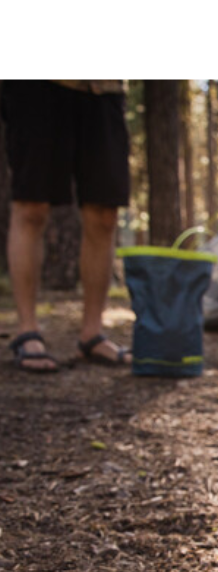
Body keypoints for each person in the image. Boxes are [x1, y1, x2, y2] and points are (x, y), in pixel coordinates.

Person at [2, 79, 132, 372]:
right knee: (31, 205)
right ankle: (27, 330)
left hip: (104, 90)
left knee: (104, 212)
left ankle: (92, 334)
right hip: (38, 89)